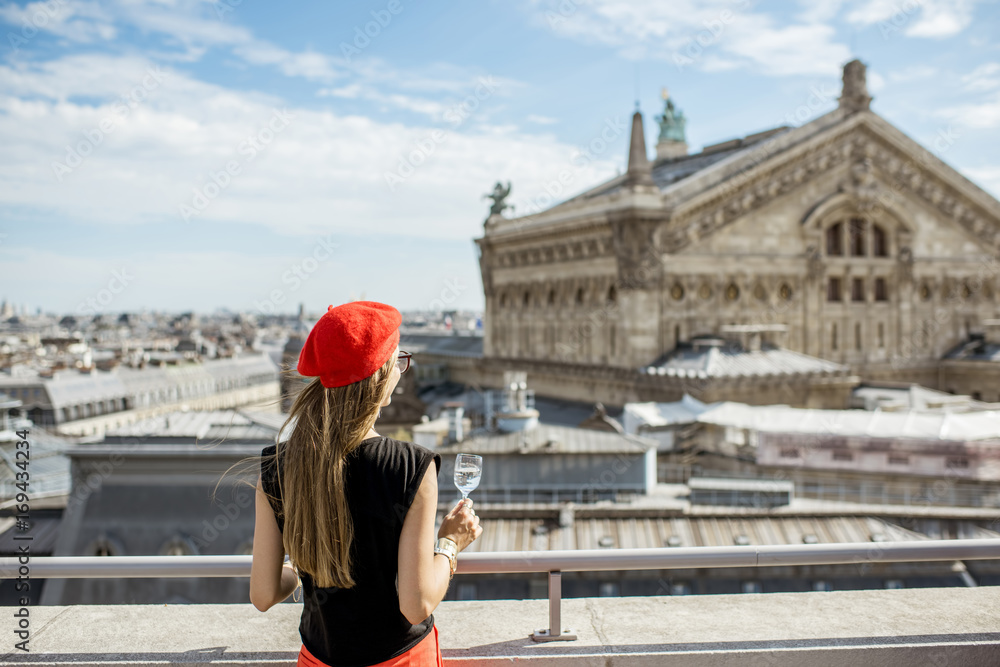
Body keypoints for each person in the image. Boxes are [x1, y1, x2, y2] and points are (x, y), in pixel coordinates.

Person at [249, 301, 482, 666]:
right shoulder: (412, 467)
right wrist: (451, 543)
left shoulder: (277, 466)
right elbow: (416, 604)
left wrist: (303, 563)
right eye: (398, 361)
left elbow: (263, 594)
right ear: (380, 375)